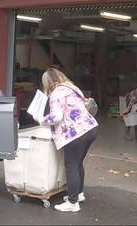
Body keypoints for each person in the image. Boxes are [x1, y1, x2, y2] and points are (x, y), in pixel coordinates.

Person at [36, 68, 98, 213]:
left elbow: (56, 117)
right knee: (77, 163)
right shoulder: (72, 88)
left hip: (75, 134)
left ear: (47, 82)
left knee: (71, 165)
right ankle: (78, 194)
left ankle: (72, 202)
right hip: (90, 128)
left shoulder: (56, 94)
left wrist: (41, 119)